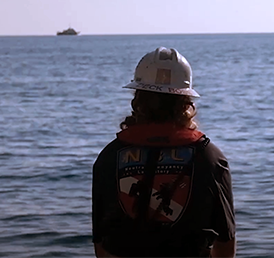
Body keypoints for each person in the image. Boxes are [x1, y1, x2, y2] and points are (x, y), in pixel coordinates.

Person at [92, 47, 236, 258]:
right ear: (186, 102)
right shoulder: (209, 158)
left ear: (138, 98)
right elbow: (225, 242)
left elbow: (101, 245)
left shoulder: (109, 157)